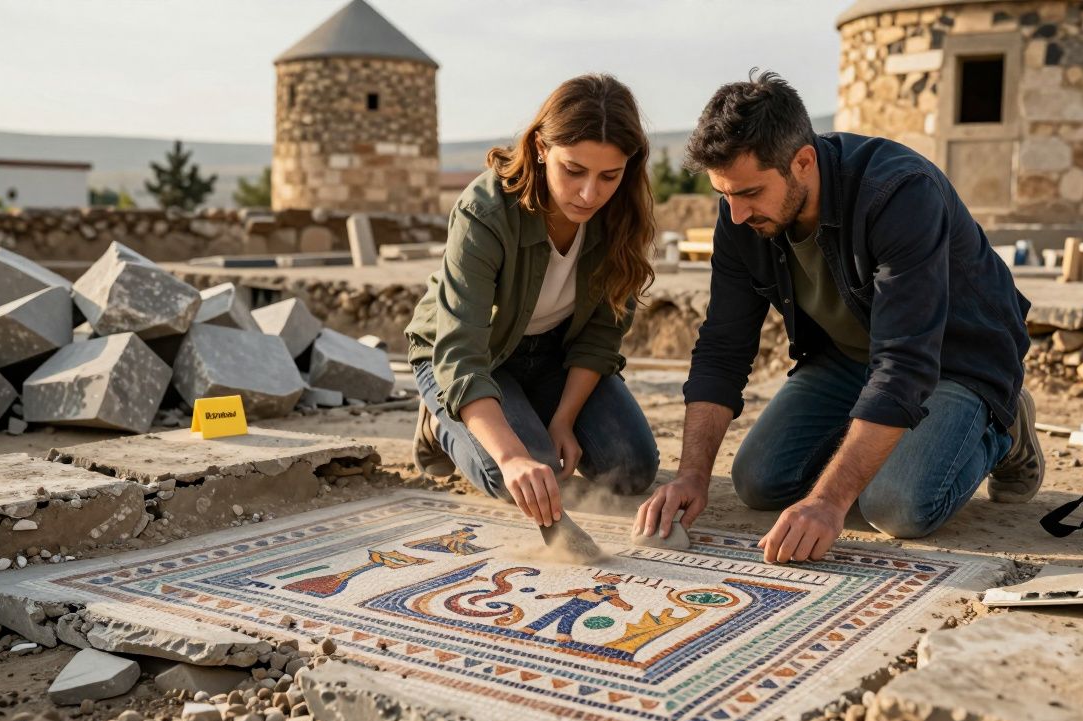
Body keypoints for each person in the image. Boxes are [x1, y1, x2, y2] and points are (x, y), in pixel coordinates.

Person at [633, 71, 1042, 563]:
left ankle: (1003, 424)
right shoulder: (739, 213)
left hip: (951, 360)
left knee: (896, 507)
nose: (736, 214)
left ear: (802, 162)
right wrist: (692, 475)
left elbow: (905, 362)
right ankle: (888, 443)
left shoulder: (900, 193)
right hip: (849, 359)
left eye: (749, 194)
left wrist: (828, 502)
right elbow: (723, 345)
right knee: (759, 481)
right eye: (725, 194)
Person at [406, 74, 660, 528]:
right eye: (574, 170)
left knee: (632, 468)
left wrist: (565, 419)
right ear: (541, 148)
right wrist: (512, 458)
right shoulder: (484, 211)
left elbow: (602, 335)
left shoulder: (623, 214)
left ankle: (533, 417)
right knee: (520, 478)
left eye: (609, 176)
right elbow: (460, 352)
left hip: (554, 357)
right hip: (470, 357)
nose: (589, 194)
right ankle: (439, 420)